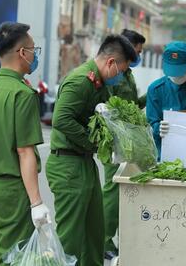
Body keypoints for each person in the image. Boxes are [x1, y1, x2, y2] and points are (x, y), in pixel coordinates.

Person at [46, 34, 137, 266]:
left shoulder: (100, 84)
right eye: (121, 71)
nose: (121, 77)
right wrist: (92, 143)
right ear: (110, 63)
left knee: (94, 233)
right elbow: (61, 119)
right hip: (67, 165)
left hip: (84, 162)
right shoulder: (80, 81)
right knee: (71, 238)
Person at [0, 22, 50, 266]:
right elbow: (25, 151)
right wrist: (36, 202)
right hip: (13, 191)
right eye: (33, 50)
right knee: (12, 257)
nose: (34, 56)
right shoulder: (22, 95)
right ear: (22, 53)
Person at [102, 29, 147, 260]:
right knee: (112, 190)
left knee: (123, 190)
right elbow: (109, 107)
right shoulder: (113, 73)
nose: (138, 56)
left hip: (128, 139)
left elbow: (132, 105)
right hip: (115, 139)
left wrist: (152, 95)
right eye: (136, 52)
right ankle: (105, 240)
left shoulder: (128, 74)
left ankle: (119, 237)